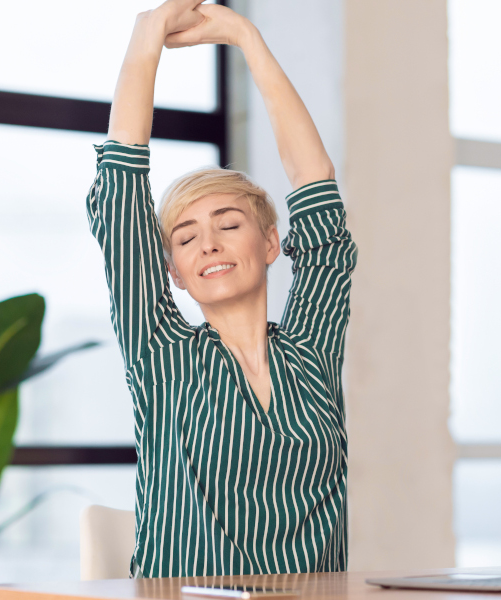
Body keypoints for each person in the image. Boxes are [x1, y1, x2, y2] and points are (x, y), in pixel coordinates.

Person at [86, 0, 355, 577]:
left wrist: (246, 39)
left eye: (229, 225)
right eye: (185, 238)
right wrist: (147, 35)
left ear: (269, 244)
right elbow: (120, 188)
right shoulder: (161, 353)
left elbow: (317, 190)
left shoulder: (312, 349)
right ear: (174, 274)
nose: (208, 243)